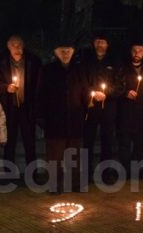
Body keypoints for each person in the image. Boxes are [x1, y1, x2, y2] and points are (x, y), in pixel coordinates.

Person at [0, 35, 42, 180]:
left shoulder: (33, 61)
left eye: (19, 45)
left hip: (27, 106)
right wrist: (6, 87)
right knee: (9, 141)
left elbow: (39, 83)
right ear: (8, 46)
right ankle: (8, 173)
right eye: (14, 45)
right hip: (9, 106)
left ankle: (33, 174)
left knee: (29, 141)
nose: (17, 48)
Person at [39, 41, 88, 193]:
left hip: (75, 119)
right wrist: (41, 117)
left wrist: (88, 103)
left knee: (75, 154)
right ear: (56, 52)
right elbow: (40, 94)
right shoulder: (48, 70)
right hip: (54, 120)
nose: (66, 53)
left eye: (68, 50)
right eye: (62, 50)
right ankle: (55, 185)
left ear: (73, 52)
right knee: (55, 156)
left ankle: (75, 183)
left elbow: (85, 91)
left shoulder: (79, 70)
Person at [81, 33, 124, 183]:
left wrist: (107, 94)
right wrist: (91, 93)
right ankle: (86, 173)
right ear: (94, 44)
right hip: (91, 106)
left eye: (103, 42)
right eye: (97, 42)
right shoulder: (87, 61)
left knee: (107, 140)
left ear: (107, 45)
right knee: (88, 140)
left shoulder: (115, 62)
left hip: (109, 106)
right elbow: (82, 82)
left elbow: (120, 85)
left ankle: (106, 173)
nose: (100, 45)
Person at [117, 41, 143, 178]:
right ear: (130, 51)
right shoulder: (123, 68)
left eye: (140, 50)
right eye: (134, 50)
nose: (137, 53)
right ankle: (125, 172)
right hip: (125, 112)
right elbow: (117, 86)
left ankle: (135, 172)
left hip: (142, 112)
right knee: (124, 144)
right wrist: (125, 92)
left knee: (139, 144)